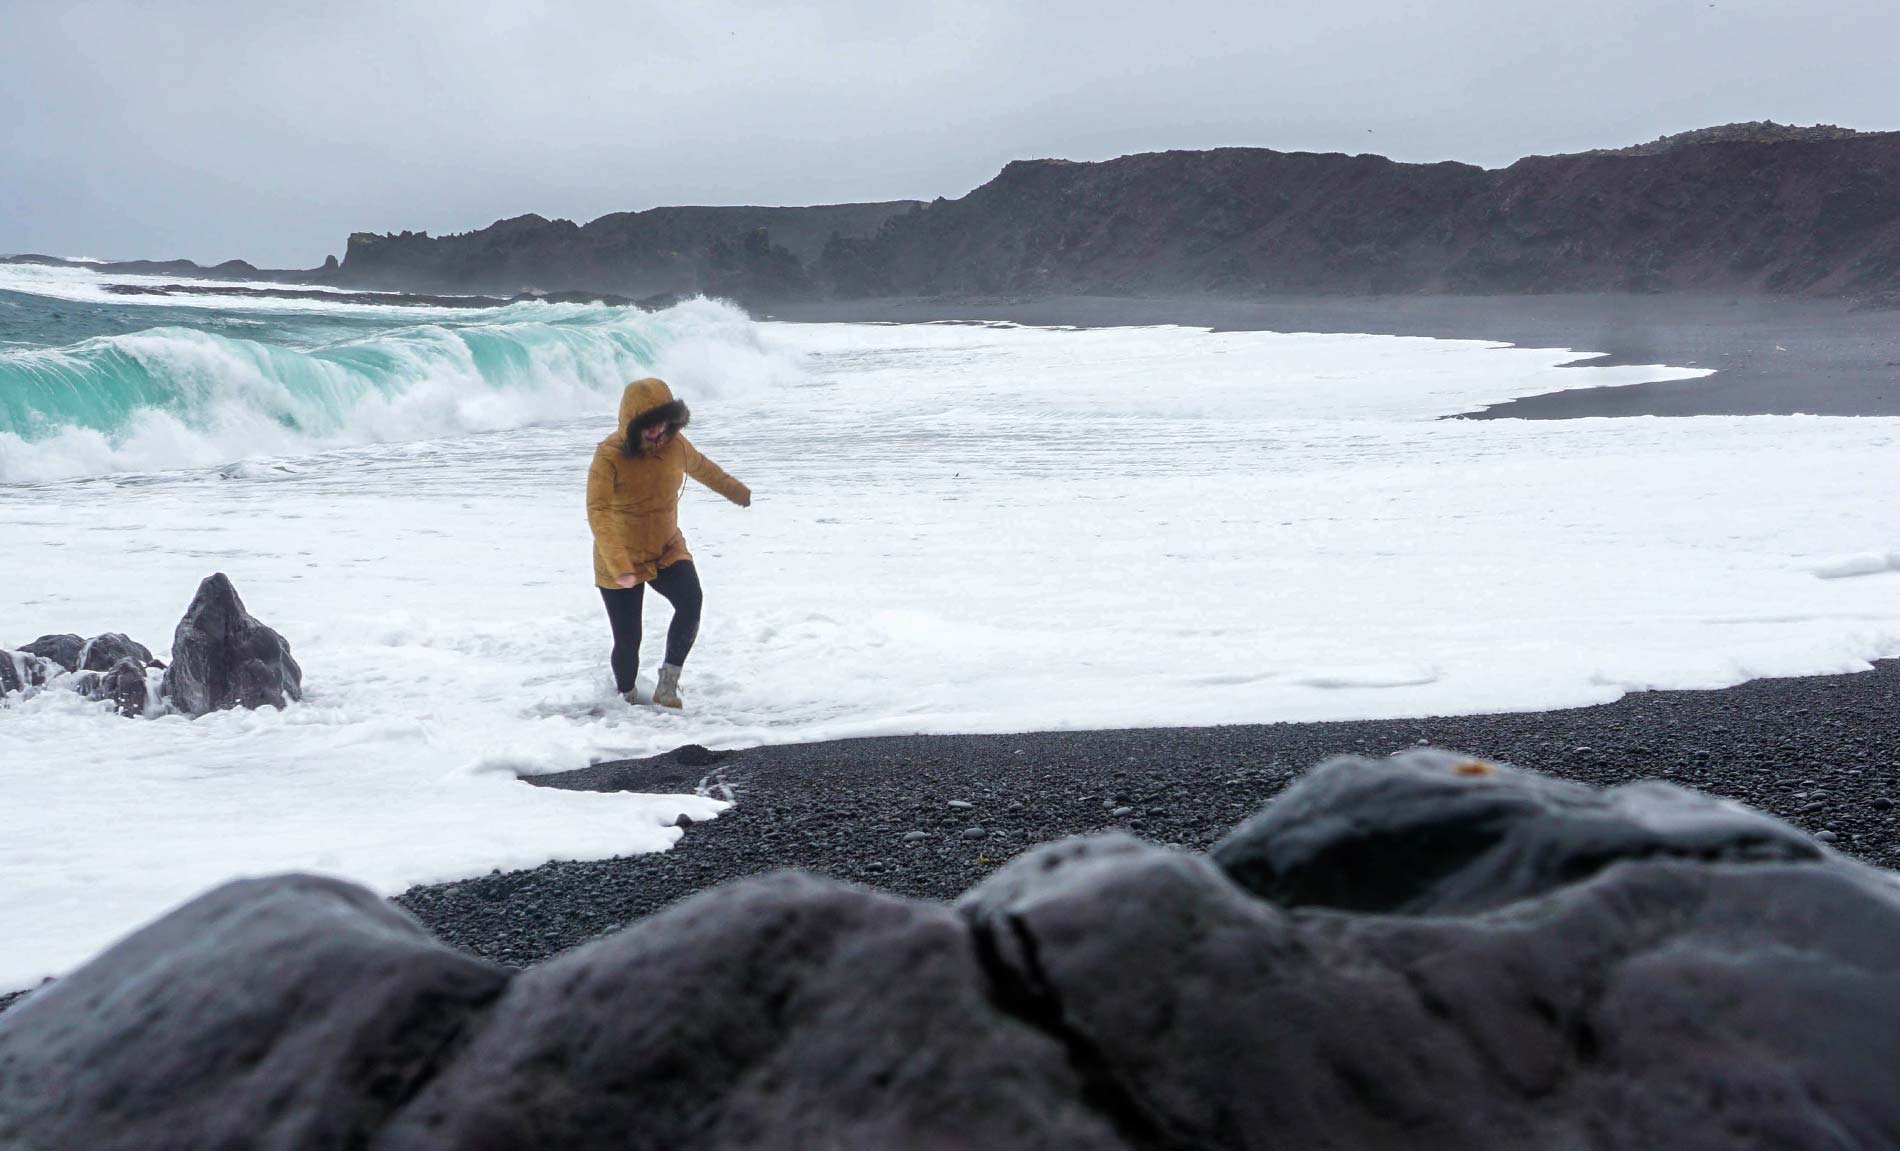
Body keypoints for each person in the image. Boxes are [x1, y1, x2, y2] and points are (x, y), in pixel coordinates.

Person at [586, 377, 750, 708]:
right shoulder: (609, 456)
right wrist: (619, 565)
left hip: (666, 548)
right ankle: (627, 700)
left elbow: (705, 469)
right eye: (649, 427)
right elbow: (598, 512)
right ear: (632, 424)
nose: (658, 433)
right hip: (620, 558)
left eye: (664, 423)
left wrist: (740, 493)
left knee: (691, 603)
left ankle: (667, 684)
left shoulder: (675, 445)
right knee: (629, 639)